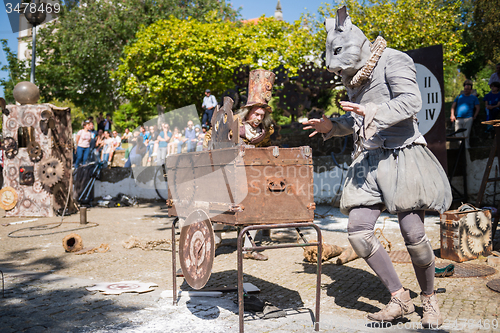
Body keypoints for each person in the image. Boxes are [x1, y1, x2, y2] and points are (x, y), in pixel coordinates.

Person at [303, 7, 451, 328]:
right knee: (358, 232)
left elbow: (411, 102)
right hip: (367, 160)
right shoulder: (353, 76)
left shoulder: (394, 59)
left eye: (338, 51)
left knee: (413, 234)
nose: (333, 63)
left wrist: (370, 110)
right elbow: (358, 117)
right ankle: (399, 297)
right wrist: (334, 126)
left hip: (401, 154)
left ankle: (429, 298)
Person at [205, 69, 276, 261]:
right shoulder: (233, 121)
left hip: (250, 176)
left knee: (250, 208)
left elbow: (266, 149)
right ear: (248, 111)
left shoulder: (265, 131)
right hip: (225, 173)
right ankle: (214, 241)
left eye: (262, 115)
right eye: (256, 113)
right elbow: (211, 138)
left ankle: (247, 247)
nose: (259, 118)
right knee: (220, 208)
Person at [450, 80, 480, 148]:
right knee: (458, 136)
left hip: (468, 118)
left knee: (466, 136)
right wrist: (452, 115)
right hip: (459, 118)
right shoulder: (459, 97)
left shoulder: (474, 98)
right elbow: (453, 105)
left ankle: (466, 152)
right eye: (465, 89)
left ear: (471, 90)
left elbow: (478, 107)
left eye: (468, 89)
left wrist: (474, 116)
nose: (466, 90)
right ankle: (462, 150)